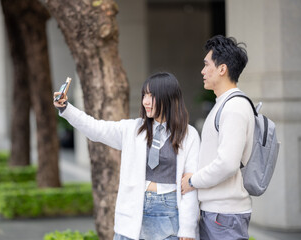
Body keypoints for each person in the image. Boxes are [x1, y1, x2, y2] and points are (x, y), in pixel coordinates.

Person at [54, 72, 199, 240]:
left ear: (167, 97)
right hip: (133, 210)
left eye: (151, 96)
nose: (145, 101)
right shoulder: (132, 129)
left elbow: (190, 185)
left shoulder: (189, 135)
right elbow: (96, 129)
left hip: (169, 212)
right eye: (144, 95)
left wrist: (188, 229)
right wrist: (66, 109)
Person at [181, 35, 254, 240]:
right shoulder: (223, 104)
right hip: (219, 214)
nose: (203, 71)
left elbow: (227, 164)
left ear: (222, 69)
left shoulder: (233, 107)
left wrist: (193, 181)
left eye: (206, 65)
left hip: (224, 215)